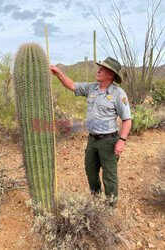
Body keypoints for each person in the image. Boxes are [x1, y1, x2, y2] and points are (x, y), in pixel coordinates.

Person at [50, 57, 132, 207]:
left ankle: (109, 207)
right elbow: (72, 85)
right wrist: (58, 73)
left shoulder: (118, 94)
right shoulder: (92, 88)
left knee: (109, 175)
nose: (98, 70)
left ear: (111, 75)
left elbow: (127, 119)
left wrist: (122, 140)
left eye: (103, 69)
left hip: (109, 141)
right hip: (92, 140)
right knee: (90, 171)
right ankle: (96, 200)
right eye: (99, 67)